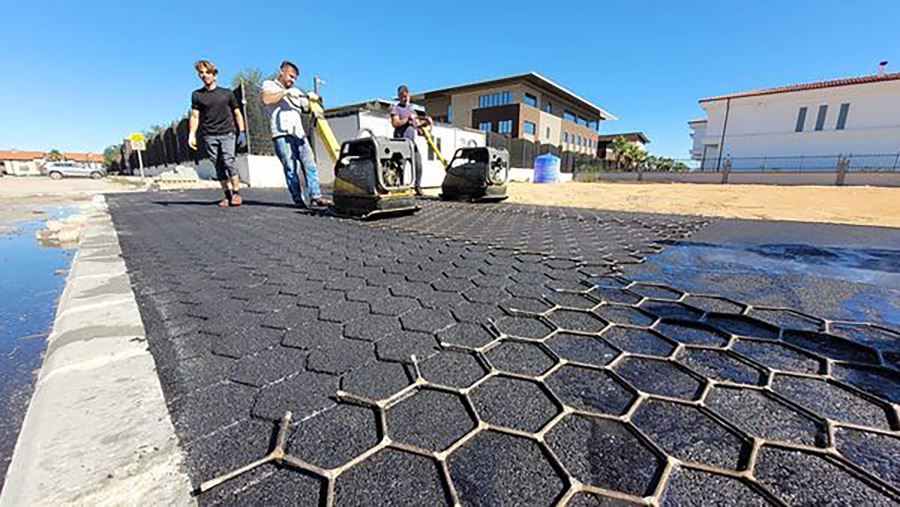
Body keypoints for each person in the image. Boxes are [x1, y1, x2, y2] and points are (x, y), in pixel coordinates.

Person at [261, 60, 331, 208]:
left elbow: (309, 108)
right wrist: (285, 93)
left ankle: (315, 196)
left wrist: (316, 99)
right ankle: (298, 200)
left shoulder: (297, 92)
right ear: (282, 72)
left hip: (299, 134)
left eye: (295, 78)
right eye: (291, 76)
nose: (292, 80)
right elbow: (267, 99)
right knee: (290, 167)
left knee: (310, 164)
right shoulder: (270, 85)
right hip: (281, 134)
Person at [188, 60, 247, 207]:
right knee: (218, 166)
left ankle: (236, 193)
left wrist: (242, 132)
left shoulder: (227, 93)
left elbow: (238, 113)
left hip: (228, 133)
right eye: (201, 73)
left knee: (229, 161)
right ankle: (227, 196)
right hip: (209, 135)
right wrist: (191, 134)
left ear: (215, 74)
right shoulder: (197, 95)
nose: (204, 75)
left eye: (207, 72)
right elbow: (195, 116)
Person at [389, 85, 431, 196]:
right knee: (400, 167)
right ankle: (400, 187)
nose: (405, 98)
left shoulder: (412, 110)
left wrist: (426, 122)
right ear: (399, 96)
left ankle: (418, 187)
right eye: (402, 96)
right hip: (400, 143)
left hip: (412, 144)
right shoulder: (396, 108)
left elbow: (417, 127)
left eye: (406, 96)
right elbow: (395, 123)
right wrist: (407, 119)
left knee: (418, 164)